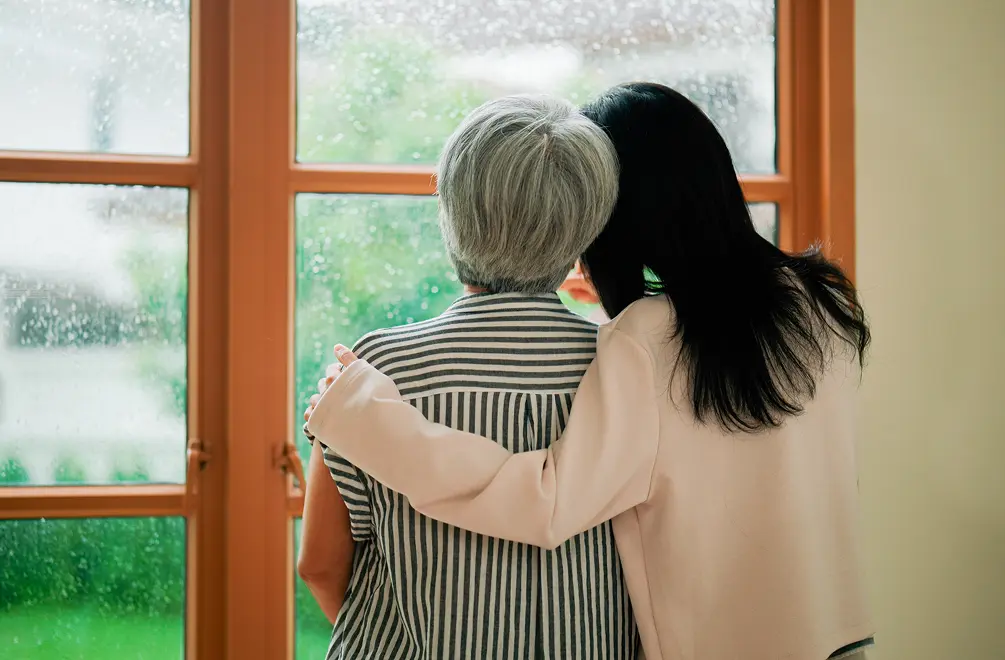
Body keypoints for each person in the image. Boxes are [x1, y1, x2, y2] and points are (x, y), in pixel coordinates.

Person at [305, 83, 876, 660]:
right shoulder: (822, 305)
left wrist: (366, 416)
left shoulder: (644, 339)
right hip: (838, 641)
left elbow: (545, 501)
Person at [298, 94, 640, 659]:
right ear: (587, 226)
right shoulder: (627, 367)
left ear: (449, 203)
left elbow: (319, 565)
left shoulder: (377, 369)